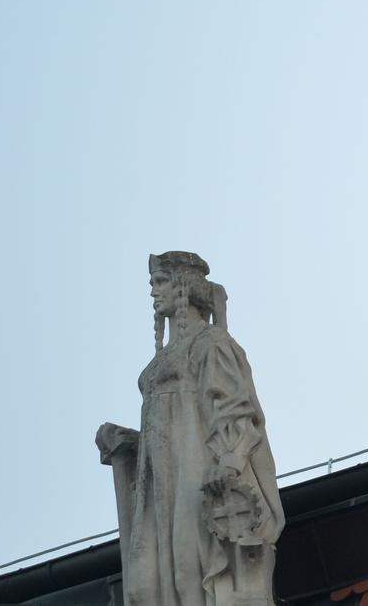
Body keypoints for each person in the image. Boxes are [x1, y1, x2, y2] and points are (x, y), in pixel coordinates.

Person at [96, 251, 283, 606]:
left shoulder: (210, 342)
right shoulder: (164, 357)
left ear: (184, 287)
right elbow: (164, 428)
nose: (154, 292)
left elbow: (235, 408)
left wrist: (230, 459)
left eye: (162, 282)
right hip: (158, 487)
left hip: (196, 477)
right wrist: (129, 444)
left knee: (190, 572)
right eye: (153, 284)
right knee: (143, 584)